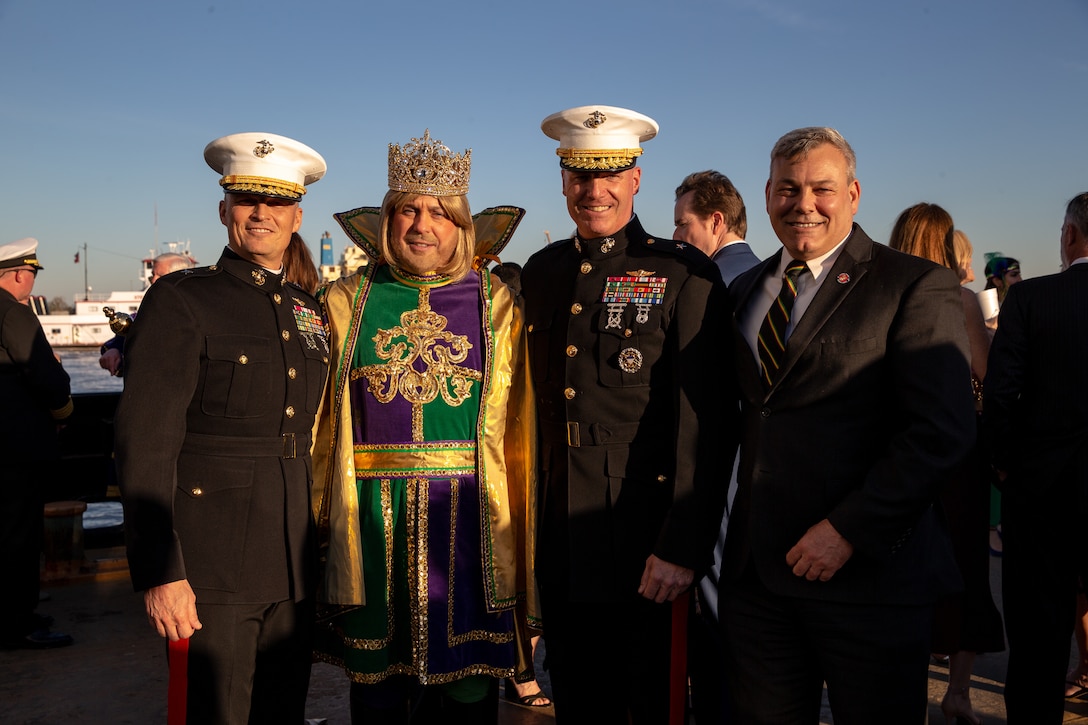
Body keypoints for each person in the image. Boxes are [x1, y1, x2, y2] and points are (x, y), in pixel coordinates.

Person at [720, 127, 975, 724]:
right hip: (759, 582)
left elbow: (941, 431)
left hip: (869, 581)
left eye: (821, 189)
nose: (803, 203)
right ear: (766, 194)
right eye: (788, 188)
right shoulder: (744, 289)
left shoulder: (912, 284)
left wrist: (848, 530)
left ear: (854, 194)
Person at [312, 130, 537, 724]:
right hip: (370, 522)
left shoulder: (497, 303)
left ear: (462, 226)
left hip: (469, 521)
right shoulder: (344, 300)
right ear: (387, 220)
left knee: (467, 695)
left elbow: (518, 433)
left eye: (439, 212)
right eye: (408, 209)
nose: (422, 224)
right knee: (379, 696)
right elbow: (318, 425)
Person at [521, 105, 736, 724]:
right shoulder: (542, 273)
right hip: (560, 532)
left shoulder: (682, 272)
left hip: (642, 538)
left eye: (610, 175)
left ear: (635, 176)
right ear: (563, 181)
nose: (595, 192)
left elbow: (707, 422)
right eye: (579, 176)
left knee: (645, 700)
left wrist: (682, 545)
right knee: (578, 694)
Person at [115, 132, 330, 724]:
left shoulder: (308, 311)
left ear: (296, 216)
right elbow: (146, 444)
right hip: (210, 566)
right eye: (246, 199)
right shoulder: (183, 301)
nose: (260, 213)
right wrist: (163, 571)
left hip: (291, 562)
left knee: (281, 712)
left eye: (276, 202)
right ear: (223, 211)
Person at [888, 203, 1005, 725]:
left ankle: (899, 690)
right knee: (964, 571)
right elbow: (986, 373)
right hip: (958, 456)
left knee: (899, 570)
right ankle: (957, 693)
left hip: (896, 450)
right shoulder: (957, 299)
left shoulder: (883, 294)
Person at [983, 192, 1088, 723]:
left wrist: (1005, 465)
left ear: (1070, 236)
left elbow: (1001, 395)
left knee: (1040, 633)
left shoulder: (1031, 300)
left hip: (1041, 490)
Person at [0, 237, 74, 650]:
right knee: (19, 535)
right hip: (16, 449)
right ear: (17, 275)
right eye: (30, 274)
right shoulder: (15, 315)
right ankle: (18, 622)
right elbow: (46, 377)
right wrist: (63, 412)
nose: (31, 282)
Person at [97, 252, 194, 376]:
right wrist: (113, 351)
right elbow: (119, 342)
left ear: (180, 279)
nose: (153, 281)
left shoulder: (197, 315)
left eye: (160, 276)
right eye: (153, 275)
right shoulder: (143, 316)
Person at [673, 169, 760, 285]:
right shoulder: (770, 277)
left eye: (683, 224)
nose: (675, 237)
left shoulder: (704, 282)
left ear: (716, 222)